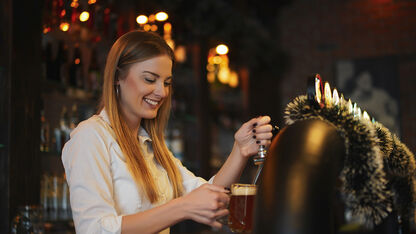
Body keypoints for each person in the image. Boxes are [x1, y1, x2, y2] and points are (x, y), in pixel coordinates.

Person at [62, 30, 273, 234]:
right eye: (149, 79)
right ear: (118, 77)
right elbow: (94, 229)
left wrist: (240, 149)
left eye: (167, 82)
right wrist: (182, 207)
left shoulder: (151, 146)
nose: (162, 92)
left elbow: (204, 192)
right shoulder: (90, 136)